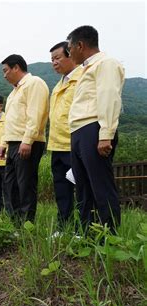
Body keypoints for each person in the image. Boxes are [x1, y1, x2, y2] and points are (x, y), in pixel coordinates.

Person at [67, 25, 125, 234]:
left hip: (94, 129)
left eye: (70, 48)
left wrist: (106, 134)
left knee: (100, 186)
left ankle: (109, 236)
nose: (69, 52)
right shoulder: (85, 69)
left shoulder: (105, 63)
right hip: (79, 131)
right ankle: (87, 233)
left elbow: (109, 98)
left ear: (80, 45)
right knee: (83, 188)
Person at [0, 54, 49, 223]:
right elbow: (11, 120)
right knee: (10, 185)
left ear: (16, 68)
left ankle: (27, 223)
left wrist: (27, 141)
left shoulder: (34, 83)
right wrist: (4, 142)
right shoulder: (14, 92)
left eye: (6, 71)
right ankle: (15, 222)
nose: (4, 75)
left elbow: (35, 114)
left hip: (27, 142)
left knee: (25, 184)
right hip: (13, 142)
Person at [48, 41, 83, 231]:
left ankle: (82, 228)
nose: (54, 63)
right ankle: (64, 226)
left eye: (57, 58)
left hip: (73, 145)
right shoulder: (57, 85)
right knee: (61, 189)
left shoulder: (82, 78)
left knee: (81, 188)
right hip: (56, 146)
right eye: (51, 59)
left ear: (70, 55)